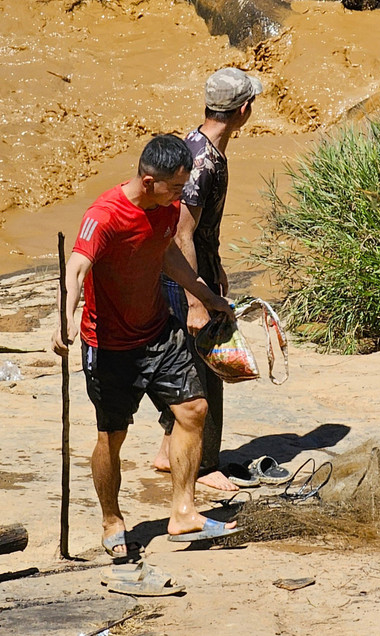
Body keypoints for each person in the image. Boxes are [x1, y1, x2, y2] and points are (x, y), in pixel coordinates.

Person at [52, 134, 241, 555]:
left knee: (193, 410)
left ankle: (184, 512)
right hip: (110, 344)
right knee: (111, 436)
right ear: (148, 179)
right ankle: (111, 519)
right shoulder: (105, 216)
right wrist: (64, 317)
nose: (182, 194)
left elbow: (166, 254)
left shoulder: (167, 207)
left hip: (157, 331)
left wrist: (205, 295)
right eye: (175, 187)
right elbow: (78, 266)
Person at [154, 67, 263, 492]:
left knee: (182, 361)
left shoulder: (198, 144)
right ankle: (203, 465)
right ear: (243, 109)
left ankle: (168, 449)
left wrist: (215, 267)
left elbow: (196, 230)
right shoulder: (203, 162)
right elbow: (181, 230)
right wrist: (198, 297)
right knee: (204, 370)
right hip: (184, 279)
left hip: (191, 271)